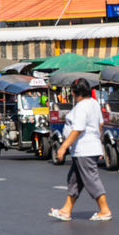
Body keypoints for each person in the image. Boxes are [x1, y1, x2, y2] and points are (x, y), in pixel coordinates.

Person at [48, 78, 112, 222]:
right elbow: (100, 124)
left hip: (85, 149)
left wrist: (63, 147)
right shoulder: (94, 103)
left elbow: (78, 129)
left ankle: (105, 210)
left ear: (75, 92)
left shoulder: (82, 106)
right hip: (86, 148)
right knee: (74, 180)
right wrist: (97, 142)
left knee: (91, 179)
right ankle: (66, 210)